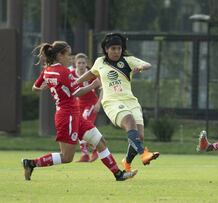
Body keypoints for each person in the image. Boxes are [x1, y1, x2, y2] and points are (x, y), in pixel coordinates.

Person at [22, 41, 137, 181]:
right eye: (68, 55)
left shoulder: (46, 70)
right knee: (66, 157)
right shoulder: (64, 72)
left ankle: (118, 174)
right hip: (67, 116)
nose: (70, 58)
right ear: (59, 55)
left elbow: (35, 87)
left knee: (100, 142)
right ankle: (31, 163)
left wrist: (46, 87)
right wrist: (93, 85)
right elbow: (76, 93)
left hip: (73, 114)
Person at [76, 33, 159, 172]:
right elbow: (90, 73)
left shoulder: (128, 60)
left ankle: (126, 161)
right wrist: (74, 82)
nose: (116, 51)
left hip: (131, 101)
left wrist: (142, 67)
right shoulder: (100, 62)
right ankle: (143, 153)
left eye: (119, 48)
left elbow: (148, 64)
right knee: (130, 122)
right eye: (113, 48)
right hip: (112, 102)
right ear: (106, 49)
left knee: (140, 136)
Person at [71, 53, 102, 162]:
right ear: (75, 64)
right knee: (79, 127)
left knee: (84, 125)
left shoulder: (91, 74)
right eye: (79, 63)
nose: (81, 65)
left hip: (91, 103)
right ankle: (86, 153)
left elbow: (103, 88)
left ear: (87, 64)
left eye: (83, 63)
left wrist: (99, 103)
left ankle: (94, 150)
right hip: (78, 104)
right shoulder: (71, 74)